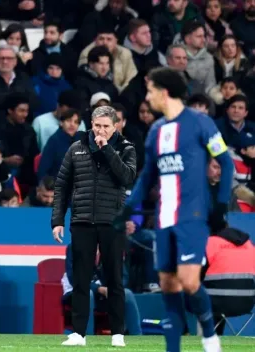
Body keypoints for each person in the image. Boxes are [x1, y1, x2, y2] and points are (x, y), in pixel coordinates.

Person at [114, 67, 234, 352]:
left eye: (150, 90)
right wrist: (128, 209)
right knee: (168, 285)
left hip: (192, 216)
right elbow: (147, 176)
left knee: (190, 281)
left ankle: (209, 336)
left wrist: (219, 205)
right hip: (164, 219)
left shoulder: (200, 122)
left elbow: (226, 162)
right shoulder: (156, 130)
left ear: (164, 92)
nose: (147, 97)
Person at [51, 105, 137, 347]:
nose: (100, 130)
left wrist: (107, 149)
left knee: (114, 279)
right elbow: (61, 187)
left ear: (115, 126)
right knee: (80, 278)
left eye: (106, 126)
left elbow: (128, 177)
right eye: (97, 125)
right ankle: (79, 333)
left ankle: (118, 333)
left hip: (112, 222)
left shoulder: (126, 148)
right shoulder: (76, 148)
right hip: (82, 221)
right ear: (91, 124)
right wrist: (57, 220)